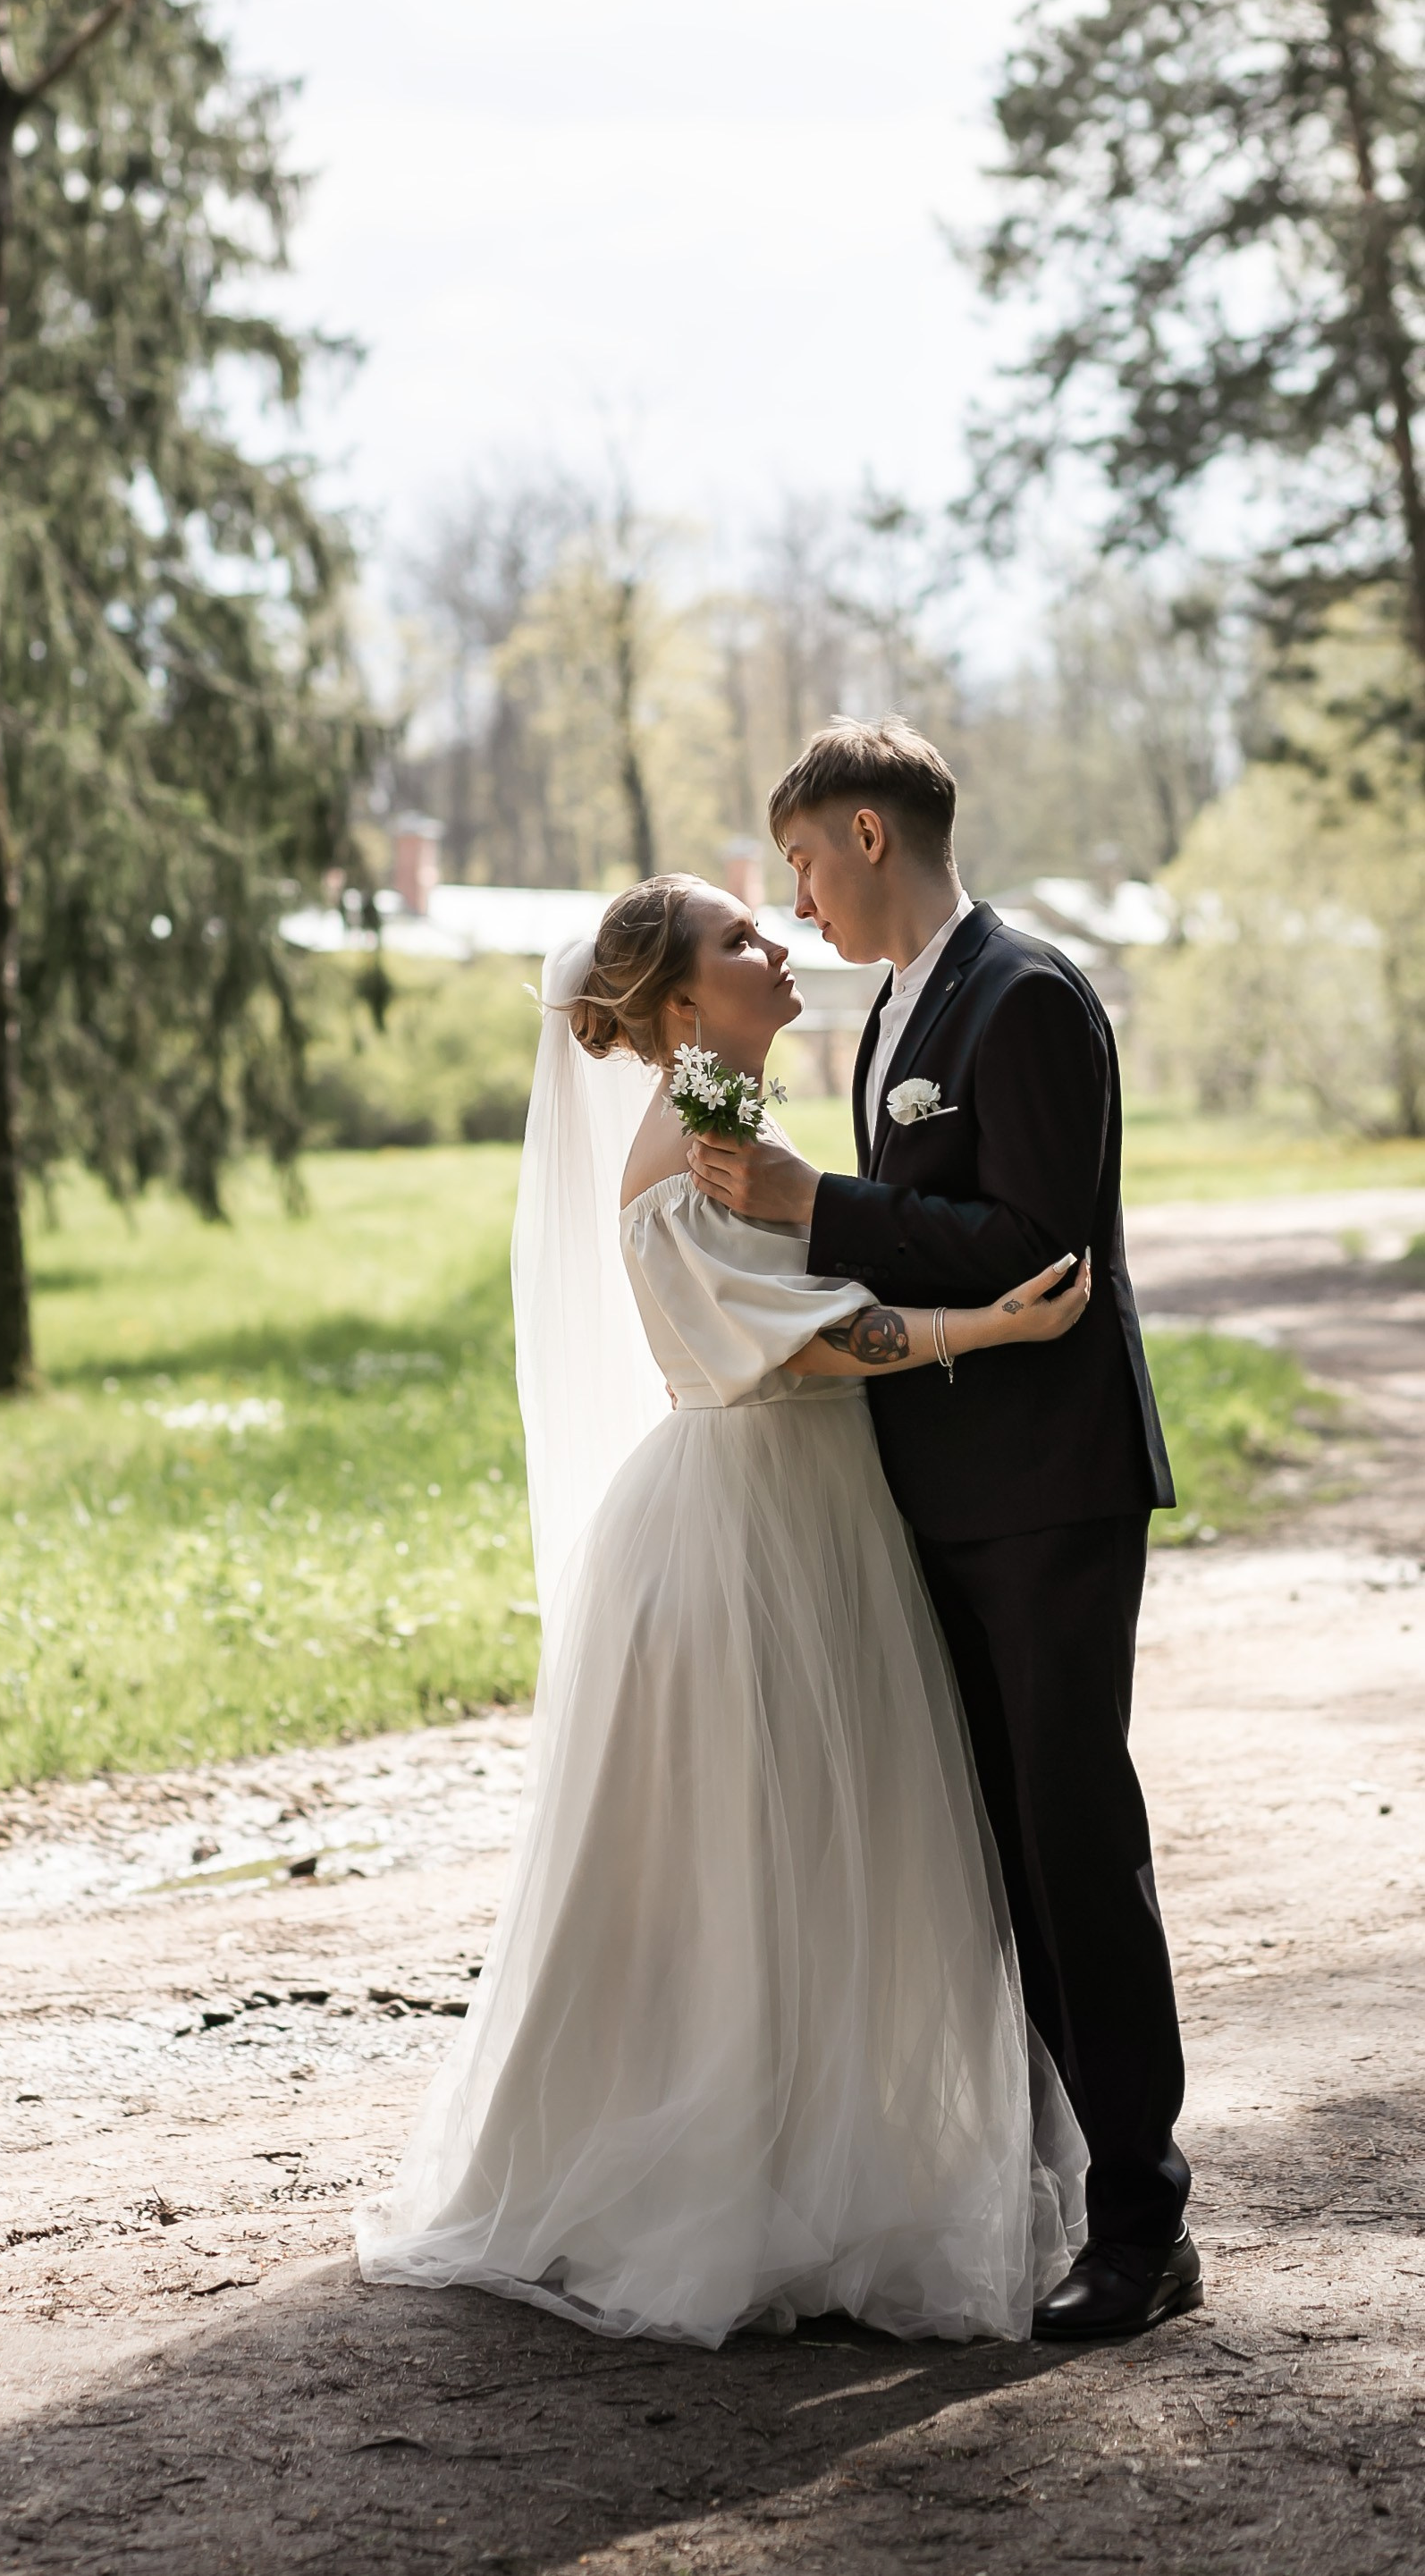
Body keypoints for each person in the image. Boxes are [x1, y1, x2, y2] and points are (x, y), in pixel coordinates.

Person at [356, 875, 1093, 2348]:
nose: (782, 947)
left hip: (818, 1521)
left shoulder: (738, 1118)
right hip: (735, 1531)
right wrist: (991, 1325)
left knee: (828, 1854)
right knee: (741, 1865)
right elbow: (793, 1354)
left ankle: (822, 2176)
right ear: (687, 1005)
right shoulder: (682, 1152)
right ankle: (706, 2194)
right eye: (744, 942)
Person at [687, 715, 1196, 2345]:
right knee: (996, 1861)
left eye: (804, 864)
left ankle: (1145, 2219)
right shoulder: (895, 1013)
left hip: (1049, 1492)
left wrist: (811, 1204)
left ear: (867, 835)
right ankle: (1056, 2191)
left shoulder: (1026, 994)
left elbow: (1042, 1250)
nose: (799, 904)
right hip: (940, 1494)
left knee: (1072, 1844)